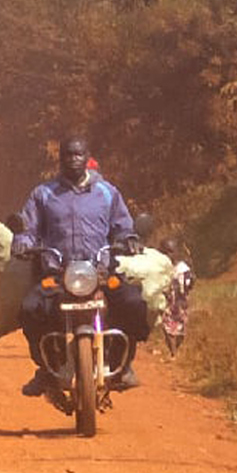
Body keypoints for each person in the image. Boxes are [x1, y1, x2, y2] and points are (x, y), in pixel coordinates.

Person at [11, 134, 149, 399]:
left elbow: (123, 226)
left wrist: (129, 240)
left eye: (78, 155)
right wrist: (22, 242)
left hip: (100, 272)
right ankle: (45, 369)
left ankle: (124, 365)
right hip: (57, 275)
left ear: (88, 158)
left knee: (134, 304)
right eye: (68, 155)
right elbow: (28, 227)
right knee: (29, 309)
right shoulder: (44, 194)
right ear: (60, 158)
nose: (73, 160)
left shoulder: (107, 192)